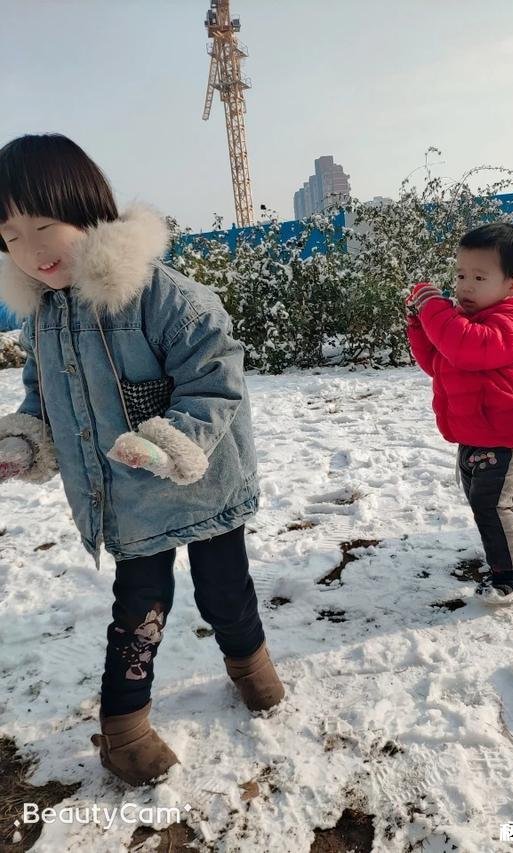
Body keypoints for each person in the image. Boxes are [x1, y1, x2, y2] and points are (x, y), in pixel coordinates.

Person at [0, 133, 284, 786]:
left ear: (88, 210)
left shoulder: (161, 296)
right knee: (139, 610)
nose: (32, 251)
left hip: (201, 486)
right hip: (126, 499)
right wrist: (22, 442)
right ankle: (125, 731)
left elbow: (215, 377)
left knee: (225, 594)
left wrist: (169, 440)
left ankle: (251, 667)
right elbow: (43, 395)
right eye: (11, 234)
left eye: (45, 226)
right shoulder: (43, 317)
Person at [406, 222, 513, 605]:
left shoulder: (512, 319)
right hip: (475, 431)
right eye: (459, 275)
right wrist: (421, 325)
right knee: (488, 497)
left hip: (509, 434)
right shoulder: (462, 321)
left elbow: (465, 349)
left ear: (512, 285)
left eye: (478, 277)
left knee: (492, 503)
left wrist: (434, 310)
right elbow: (439, 361)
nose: (464, 286)